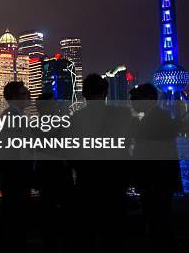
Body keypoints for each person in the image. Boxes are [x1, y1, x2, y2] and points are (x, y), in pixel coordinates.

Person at [68, 73, 133, 252]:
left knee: (86, 236)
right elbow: (126, 146)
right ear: (106, 92)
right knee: (114, 236)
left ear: (84, 93)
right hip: (115, 183)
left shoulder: (75, 119)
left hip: (86, 182)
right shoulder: (123, 114)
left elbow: (70, 153)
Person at [129, 83, 181, 253]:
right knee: (160, 224)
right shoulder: (156, 117)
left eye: (136, 98)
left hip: (156, 184)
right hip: (157, 183)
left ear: (149, 99)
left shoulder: (155, 119)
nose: (132, 102)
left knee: (159, 225)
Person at [0, 81, 34, 253]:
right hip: (16, 178)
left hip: (13, 177)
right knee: (15, 222)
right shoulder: (13, 117)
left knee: (12, 221)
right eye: (25, 94)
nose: (29, 96)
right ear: (14, 98)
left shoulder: (13, 116)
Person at [35, 93, 73, 253]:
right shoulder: (62, 124)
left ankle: (51, 245)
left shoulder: (35, 126)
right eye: (52, 104)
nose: (55, 106)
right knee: (64, 216)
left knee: (49, 216)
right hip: (59, 174)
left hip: (46, 176)